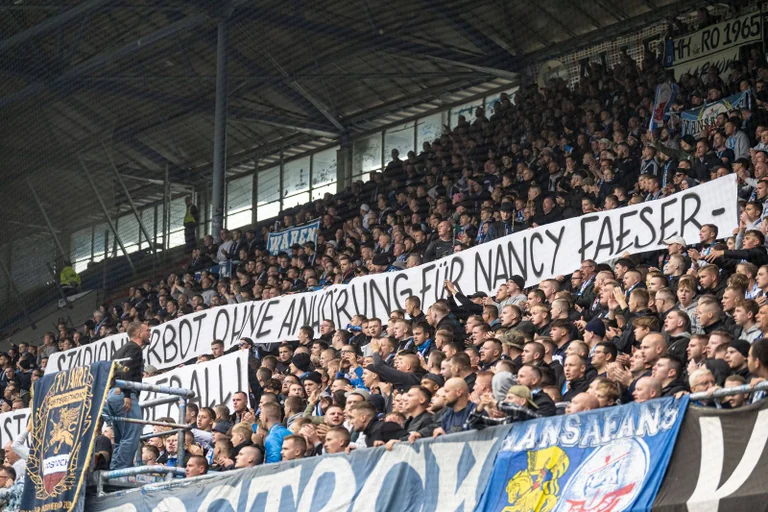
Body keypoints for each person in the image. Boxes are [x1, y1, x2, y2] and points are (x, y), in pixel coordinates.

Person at [108, 321, 150, 469]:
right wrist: (126, 393)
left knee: (121, 438)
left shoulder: (121, 349)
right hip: (123, 395)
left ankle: (114, 469)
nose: (149, 333)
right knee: (131, 435)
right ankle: (118, 472)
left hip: (113, 395)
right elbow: (126, 369)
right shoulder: (134, 349)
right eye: (147, 331)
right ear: (139, 333)